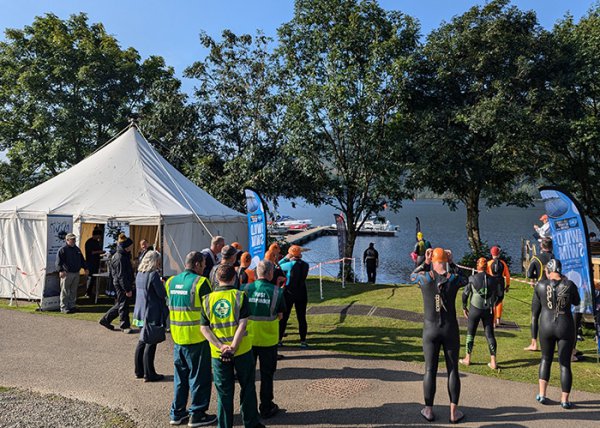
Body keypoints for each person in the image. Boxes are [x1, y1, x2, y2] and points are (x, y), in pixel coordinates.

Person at [200, 264, 263, 428]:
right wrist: (233, 347)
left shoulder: (207, 299)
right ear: (234, 278)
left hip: (218, 353)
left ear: (216, 279)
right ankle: (250, 423)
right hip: (241, 350)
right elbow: (242, 325)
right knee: (247, 387)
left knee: (224, 393)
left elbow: (204, 329)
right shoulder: (240, 296)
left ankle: (224, 425)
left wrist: (221, 346)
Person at [410, 247, 466, 424]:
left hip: (430, 330)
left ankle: (428, 410)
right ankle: (453, 412)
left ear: (432, 259)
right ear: (445, 260)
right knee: (452, 370)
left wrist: (425, 263)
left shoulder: (425, 278)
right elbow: (466, 278)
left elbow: (411, 276)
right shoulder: (454, 279)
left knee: (429, 370)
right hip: (450, 330)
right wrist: (452, 262)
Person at [165, 252, 216, 427]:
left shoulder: (171, 282)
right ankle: (197, 414)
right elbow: (209, 309)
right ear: (196, 264)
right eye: (202, 265)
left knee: (180, 378)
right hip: (197, 338)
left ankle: (177, 413)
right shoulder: (201, 282)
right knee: (200, 378)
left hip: (178, 337)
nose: (204, 268)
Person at [532, 259, 580, 409]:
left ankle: (542, 394)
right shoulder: (569, 284)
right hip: (565, 326)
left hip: (546, 325)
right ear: (560, 270)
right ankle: (564, 400)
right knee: (565, 364)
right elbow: (577, 302)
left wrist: (533, 336)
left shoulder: (540, 285)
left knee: (545, 359)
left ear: (547, 271)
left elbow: (535, 311)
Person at [241, 260, 286, 419]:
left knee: (248, 376)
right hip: (268, 340)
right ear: (270, 274)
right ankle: (266, 407)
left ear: (255, 273)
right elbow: (281, 315)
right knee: (267, 375)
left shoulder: (244, 289)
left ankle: (247, 407)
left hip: (247, 340)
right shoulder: (277, 292)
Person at [460, 257, 504, 370]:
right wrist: (494, 303)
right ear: (487, 267)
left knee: (471, 333)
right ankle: (493, 362)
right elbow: (500, 295)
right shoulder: (494, 280)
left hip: (474, 309)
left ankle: (467, 358)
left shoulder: (472, 278)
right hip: (488, 310)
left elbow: (465, 294)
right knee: (490, 334)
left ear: (477, 267)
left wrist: (464, 307)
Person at [133, 250, 168, 382]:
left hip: (141, 310)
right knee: (151, 342)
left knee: (142, 341)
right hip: (151, 311)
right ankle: (150, 373)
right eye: (158, 261)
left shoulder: (139, 274)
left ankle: (139, 370)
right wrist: (163, 284)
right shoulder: (153, 275)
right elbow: (161, 293)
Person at [99, 237, 134, 332]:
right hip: (121, 284)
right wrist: (127, 289)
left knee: (121, 304)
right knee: (123, 305)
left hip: (122, 283)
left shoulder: (123, 255)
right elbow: (121, 276)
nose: (132, 247)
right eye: (130, 245)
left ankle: (106, 319)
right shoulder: (120, 257)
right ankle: (124, 326)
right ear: (126, 246)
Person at [524, 238, 554, 351]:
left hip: (540, 287)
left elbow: (530, 273)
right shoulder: (554, 258)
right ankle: (550, 342)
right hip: (552, 288)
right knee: (550, 315)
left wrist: (533, 280)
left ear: (541, 246)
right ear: (551, 246)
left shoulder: (536, 258)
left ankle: (534, 343)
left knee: (535, 315)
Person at [279, 245, 310, 348]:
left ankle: (279, 340)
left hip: (289, 292)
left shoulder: (289, 264)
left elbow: (277, 266)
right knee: (301, 317)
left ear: (291, 253)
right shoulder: (306, 264)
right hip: (302, 291)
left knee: (284, 317)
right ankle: (303, 341)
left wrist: (286, 258)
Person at [55, 233, 88, 314]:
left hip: (76, 273)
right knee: (65, 291)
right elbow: (58, 262)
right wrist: (61, 270)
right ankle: (64, 308)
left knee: (73, 291)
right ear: (67, 240)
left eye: (74, 239)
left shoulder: (77, 249)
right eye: (72, 239)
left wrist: (86, 268)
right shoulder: (62, 249)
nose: (74, 240)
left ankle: (72, 306)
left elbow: (82, 260)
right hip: (67, 273)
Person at [486, 246, 510, 327]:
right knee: (499, 301)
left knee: (492, 303)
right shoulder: (503, 263)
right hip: (500, 284)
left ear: (491, 254)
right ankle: (498, 320)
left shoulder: (489, 263)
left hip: (492, 284)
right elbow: (507, 275)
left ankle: (493, 322)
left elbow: (486, 274)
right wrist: (508, 285)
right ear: (499, 254)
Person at [84, 228, 104, 299]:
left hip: (96, 262)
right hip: (90, 262)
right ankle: (87, 292)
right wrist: (100, 252)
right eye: (99, 236)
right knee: (90, 277)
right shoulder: (89, 242)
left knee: (94, 278)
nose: (99, 237)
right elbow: (91, 252)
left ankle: (92, 292)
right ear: (96, 235)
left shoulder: (96, 242)